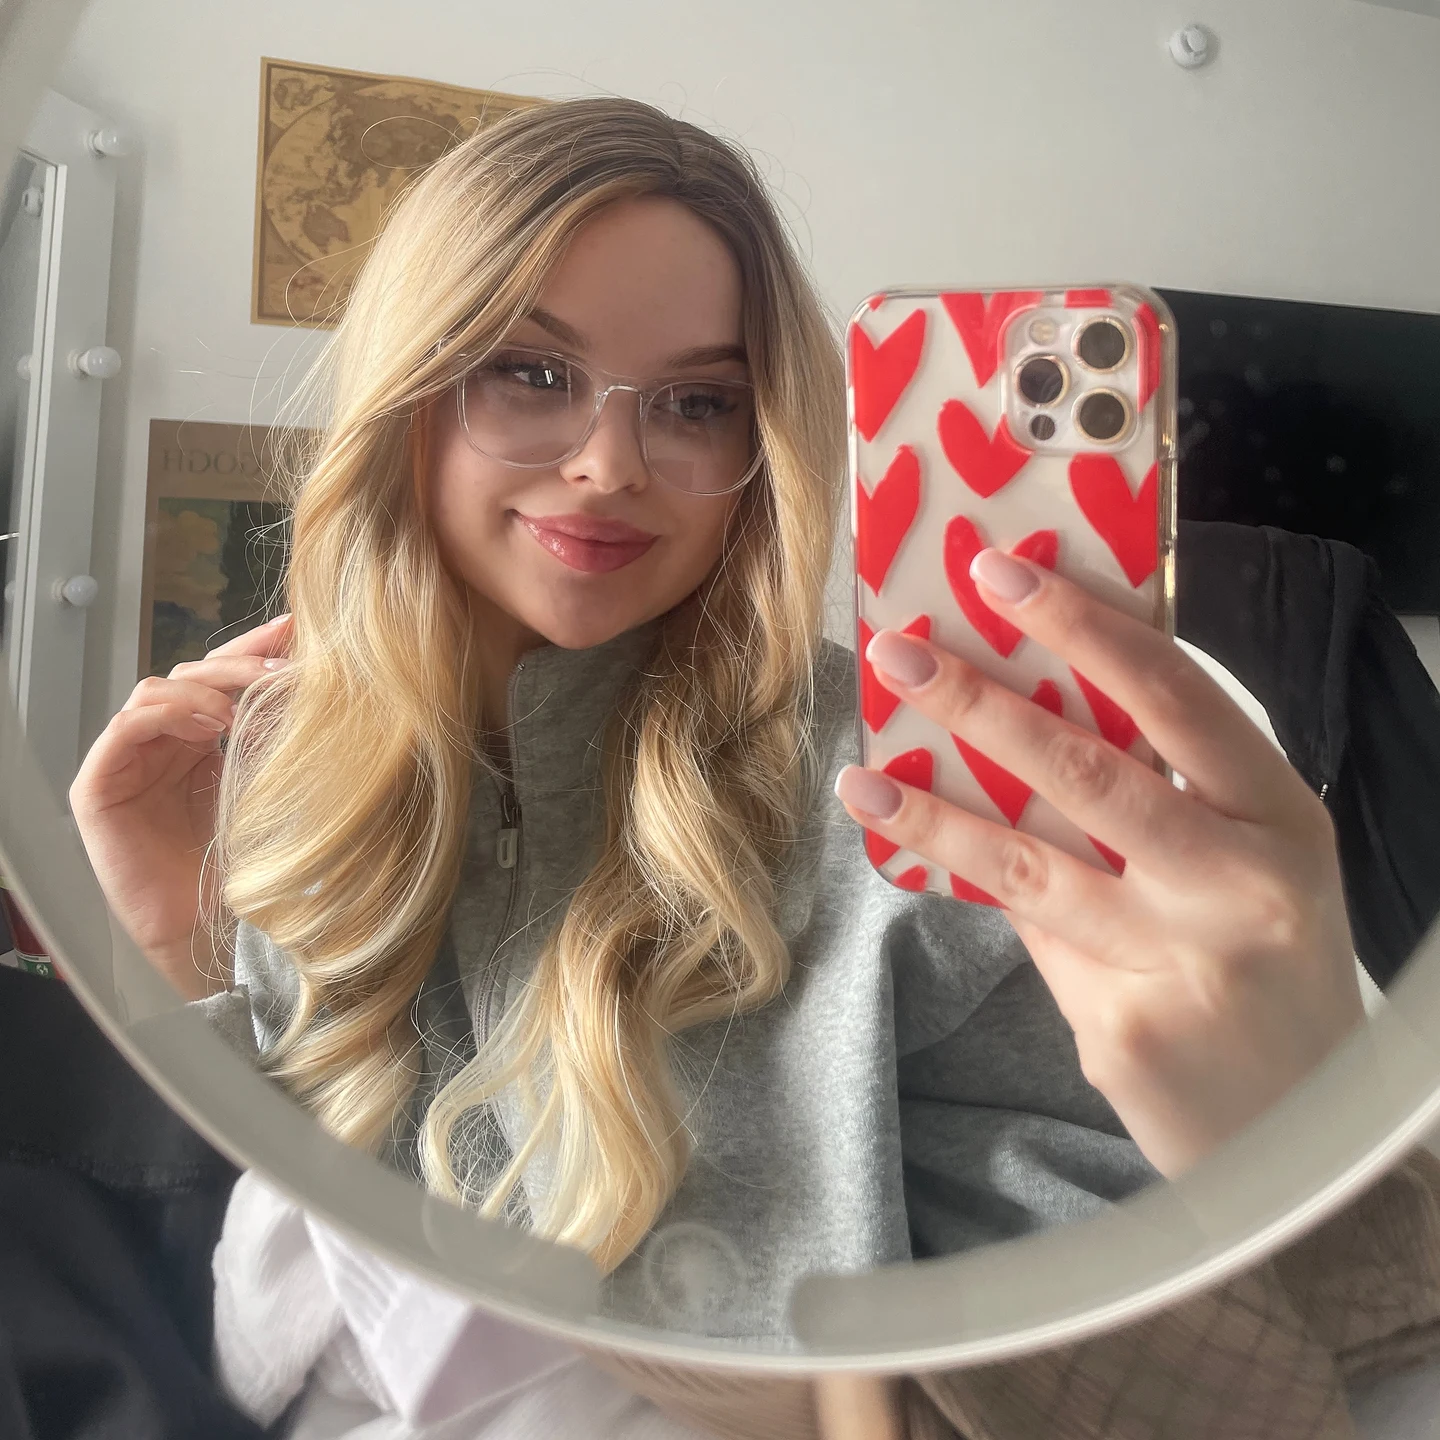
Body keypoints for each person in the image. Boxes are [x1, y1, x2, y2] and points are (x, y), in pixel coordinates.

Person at [68, 97, 1440, 1438]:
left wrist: (1311, 1115)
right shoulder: (290, 778)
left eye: (696, 402)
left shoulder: (925, 789)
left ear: (763, 439)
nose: (610, 465)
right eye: (532, 374)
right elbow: (246, 1286)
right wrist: (172, 943)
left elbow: (1288, 1328)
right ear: (409, 389)